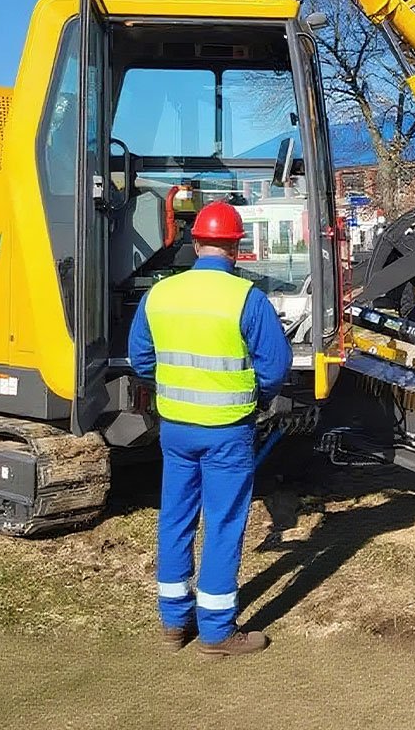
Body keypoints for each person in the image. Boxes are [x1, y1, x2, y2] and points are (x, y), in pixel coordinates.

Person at [128, 200, 293, 659]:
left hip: (176, 429)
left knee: (175, 517)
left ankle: (174, 622)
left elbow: (141, 359)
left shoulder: (160, 294)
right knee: (222, 523)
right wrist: (255, 396)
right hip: (228, 431)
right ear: (235, 248)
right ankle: (217, 631)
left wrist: (174, 387)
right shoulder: (247, 299)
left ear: (196, 243)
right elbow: (276, 366)